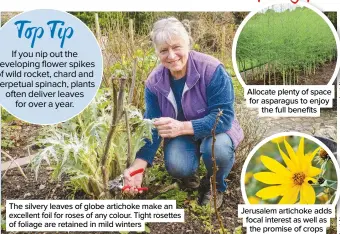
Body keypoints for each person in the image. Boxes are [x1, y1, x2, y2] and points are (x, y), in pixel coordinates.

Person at [123, 17, 244, 208]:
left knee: (217, 149)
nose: (171, 56)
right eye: (163, 50)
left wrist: (182, 127)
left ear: (188, 43)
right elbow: (152, 126)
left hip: (217, 131)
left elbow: (224, 118)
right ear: (157, 52)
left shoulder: (212, 70)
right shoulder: (154, 83)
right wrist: (138, 166)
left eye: (176, 47)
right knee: (177, 164)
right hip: (183, 134)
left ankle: (214, 186)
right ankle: (190, 174)